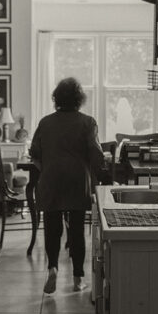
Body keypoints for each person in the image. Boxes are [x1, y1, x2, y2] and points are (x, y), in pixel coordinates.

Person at [29, 77, 105, 294]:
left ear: (56, 98)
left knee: (52, 228)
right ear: (79, 99)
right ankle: (78, 278)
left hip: (51, 178)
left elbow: (34, 154)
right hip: (77, 180)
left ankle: (52, 267)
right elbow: (96, 156)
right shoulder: (87, 122)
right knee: (77, 230)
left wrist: (47, 168)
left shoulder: (46, 122)